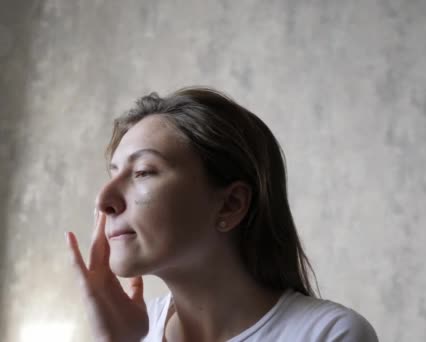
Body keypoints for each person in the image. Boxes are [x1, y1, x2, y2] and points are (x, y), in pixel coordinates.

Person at [65, 87, 378, 342]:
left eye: (144, 172)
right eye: (114, 173)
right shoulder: (130, 330)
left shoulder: (329, 334)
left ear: (230, 204)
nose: (104, 199)